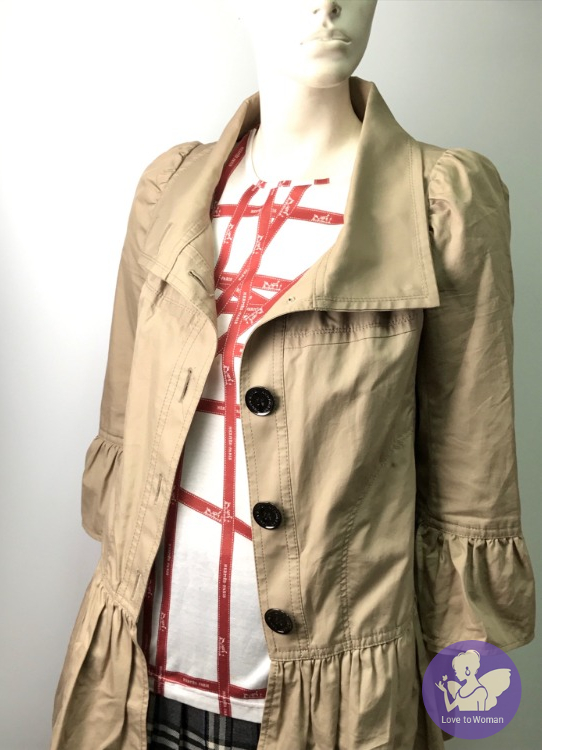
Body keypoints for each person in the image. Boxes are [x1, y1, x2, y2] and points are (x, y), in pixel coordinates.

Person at [50, 2, 536, 749]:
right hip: (141, 681)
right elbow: (123, 426)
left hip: (336, 705)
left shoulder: (440, 202)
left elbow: (474, 479)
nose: (326, 4)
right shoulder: (169, 191)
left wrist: (464, 694)